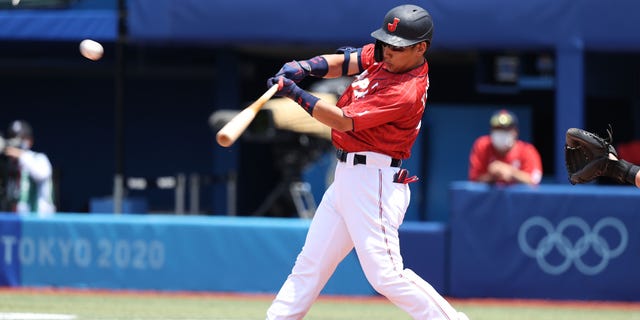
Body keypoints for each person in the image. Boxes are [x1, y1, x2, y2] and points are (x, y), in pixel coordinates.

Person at [264, 4, 469, 320]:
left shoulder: (406, 89)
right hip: (348, 177)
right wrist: (303, 67)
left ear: (420, 48)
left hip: (374, 180)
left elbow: (342, 120)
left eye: (397, 47)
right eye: (386, 42)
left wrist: (295, 93)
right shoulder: (389, 55)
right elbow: (346, 61)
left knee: (386, 275)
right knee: (310, 264)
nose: (387, 51)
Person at [468, 109, 543, 185]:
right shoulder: (482, 146)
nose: (501, 133)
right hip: (489, 197)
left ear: (515, 132)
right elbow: (474, 179)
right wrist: (493, 175)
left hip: (518, 197)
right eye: (498, 129)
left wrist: (511, 172)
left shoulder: (527, 151)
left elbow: (534, 180)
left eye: (506, 130)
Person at [0, 120, 56, 216]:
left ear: (30, 141)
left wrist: (21, 155)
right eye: (12, 139)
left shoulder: (39, 158)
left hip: (39, 220)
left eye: (20, 139)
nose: (15, 144)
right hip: (15, 221)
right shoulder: (6, 164)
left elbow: (41, 174)